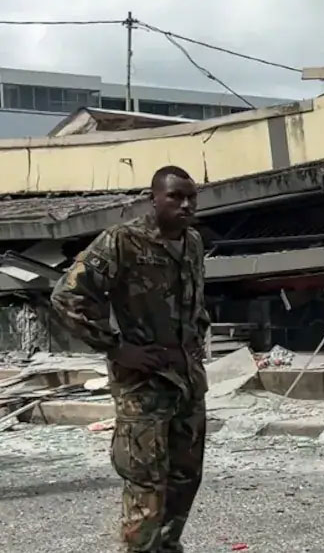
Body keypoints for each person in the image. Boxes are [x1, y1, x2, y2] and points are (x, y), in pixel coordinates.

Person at [52, 165, 209, 553]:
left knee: (185, 476)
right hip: (144, 385)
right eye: (175, 196)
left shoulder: (192, 242)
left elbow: (195, 302)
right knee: (145, 482)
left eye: (191, 197)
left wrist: (197, 341)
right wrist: (116, 347)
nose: (185, 205)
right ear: (153, 198)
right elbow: (67, 297)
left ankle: (167, 547)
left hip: (187, 380)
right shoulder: (123, 241)